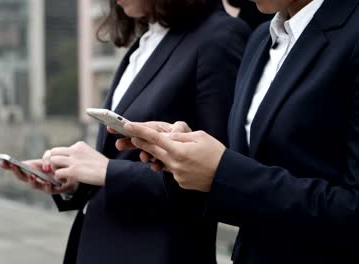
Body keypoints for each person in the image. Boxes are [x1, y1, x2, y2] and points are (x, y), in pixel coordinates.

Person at [1, 0, 250, 263]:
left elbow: (218, 176)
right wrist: (75, 179)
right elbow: (117, 163)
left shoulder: (220, 37)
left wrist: (107, 171)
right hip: (96, 244)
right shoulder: (144, 43)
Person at [115, 0, 359, 263]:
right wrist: (181, 151)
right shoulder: (260, 40)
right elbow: (250, 178)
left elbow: (352, 209)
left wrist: (223, 171)